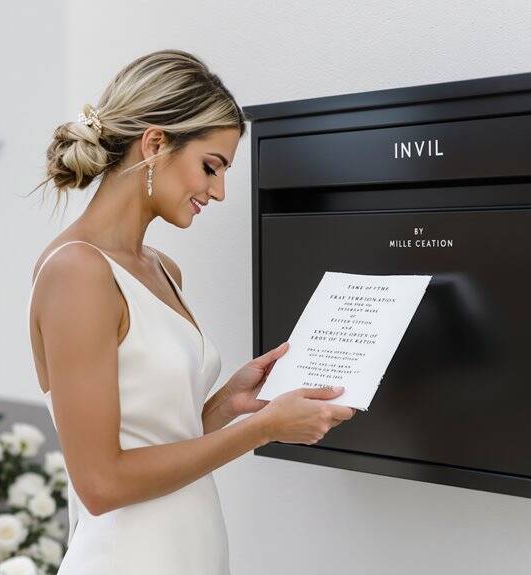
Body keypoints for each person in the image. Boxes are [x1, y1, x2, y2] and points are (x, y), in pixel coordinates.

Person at [25, 49, 355, 574]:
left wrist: (229, 403)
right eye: (211, 167)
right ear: (155, 143)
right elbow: (102, 483)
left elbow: (156, 439)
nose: (219, 192)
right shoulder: (77, 273)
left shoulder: (161, 269)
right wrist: (262, 429)